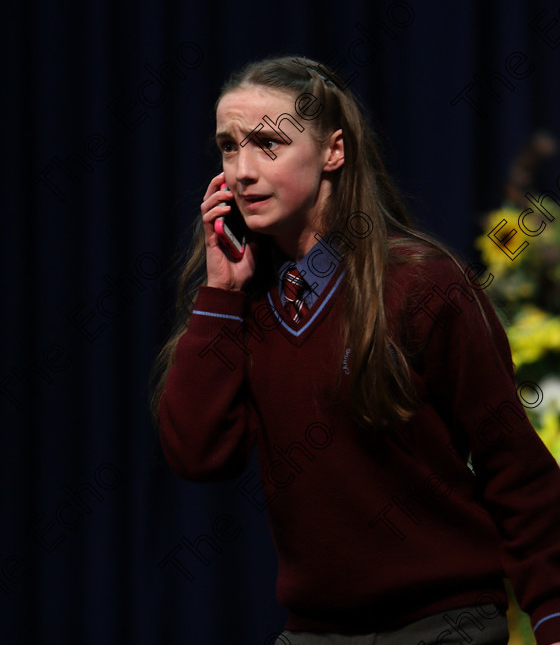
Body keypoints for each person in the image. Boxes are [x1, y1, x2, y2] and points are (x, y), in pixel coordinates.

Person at [151, 56, 560, 645]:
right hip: (314, 633)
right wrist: (219, 295)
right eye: (228, 147)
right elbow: (197, 454)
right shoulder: (244, 302)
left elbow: (517, 473)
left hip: (444, 624)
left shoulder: (422, 285)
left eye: (268, 143)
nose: (241, 170)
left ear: (333, 151)